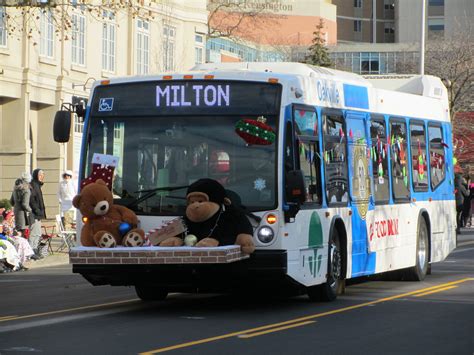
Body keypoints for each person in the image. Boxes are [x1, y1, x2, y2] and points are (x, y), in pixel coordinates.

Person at [29, 168, 47, 256]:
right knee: (34, 232)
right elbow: (32, 200)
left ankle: (35, 249)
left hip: (38, 213)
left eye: (43, 175)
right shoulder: (33, 184)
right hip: (34, 213)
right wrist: (37, 210)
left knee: (38, 233)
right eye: (40, 175)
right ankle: (31, 251)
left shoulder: (37, 185)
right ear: (36, 175)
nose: (42, 176)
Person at [10, 172, 33, 237]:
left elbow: (11, 201)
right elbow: (25, 204)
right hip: (22, 214)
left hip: (16, 211)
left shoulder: (15, 188)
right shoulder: (26, 190)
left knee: (16, 231)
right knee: (22, 233)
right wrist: (31, 210)